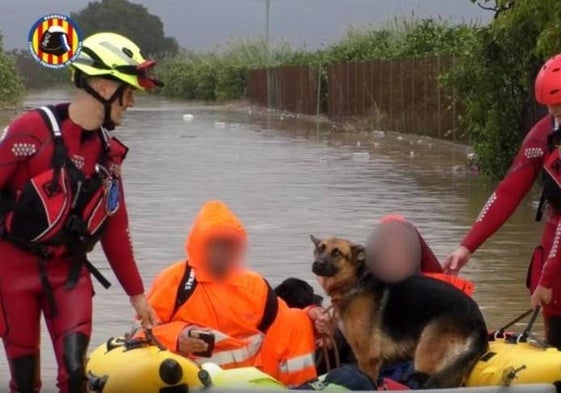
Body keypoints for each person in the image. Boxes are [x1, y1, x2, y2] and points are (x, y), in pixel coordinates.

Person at [0, 32, 161, 393]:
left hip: (67, 275)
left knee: (75, 375)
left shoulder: (109, 156)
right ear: (104, 86)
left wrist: (138, 297)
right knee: (24, 382)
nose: (131, 104)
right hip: (12, 274)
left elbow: (116, 232)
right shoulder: (30, 131)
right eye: (129, 92)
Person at [444, 53, 561, 348]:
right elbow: (507, 192)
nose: (555, 114)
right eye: (551, 108)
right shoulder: (542, 136)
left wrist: (547, 279)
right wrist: (467, 246)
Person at [145, 200, 326, 387]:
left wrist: (313, 317)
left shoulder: (254, 283)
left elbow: (283, 321)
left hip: (255, 380)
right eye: (215, 244)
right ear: (199, 245)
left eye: (229, 244)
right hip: (198, 381)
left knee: (297, 318)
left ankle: (301, 388)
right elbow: (142, 332)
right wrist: (178, 337)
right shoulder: (175, 280)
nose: (223, 251)